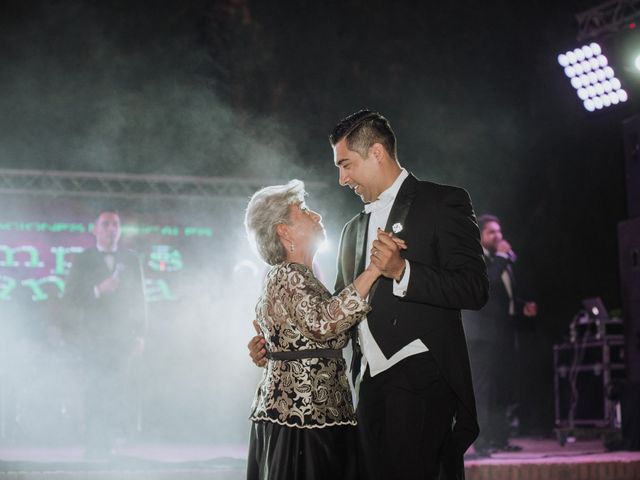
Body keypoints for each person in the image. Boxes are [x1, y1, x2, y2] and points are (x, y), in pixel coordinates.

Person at [249, 110, 489, 480]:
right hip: (367, 387)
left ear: (376, 152)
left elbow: (474, 288)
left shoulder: (442, 203)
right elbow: (333, 319)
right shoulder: (351, 230)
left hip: (422, 380)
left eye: (346, 165)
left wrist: (402, 271)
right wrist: (278, 345)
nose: (341, 179)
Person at [244, 179, 404, 480]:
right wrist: (374, 270)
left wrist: (267, 349)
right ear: (284, 230)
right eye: (303, 210)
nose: (317, 216)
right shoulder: (288, 274)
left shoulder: (296, 276)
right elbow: (323, 324)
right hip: (303, 419)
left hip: (310, 416)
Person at [64, 209, 147, 459]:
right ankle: (93, 444)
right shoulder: (82, 259)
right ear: (95, 229)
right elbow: (70, 297)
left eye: (115, 224)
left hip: (121, 336)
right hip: (91, 337)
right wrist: (98, 290)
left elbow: (139, 299)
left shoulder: (131, 258)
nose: (111, 229)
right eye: (106, 224)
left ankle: (112, 443)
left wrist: (140, 334)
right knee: (93, 388)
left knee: (117, 389)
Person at [463, 214, 537, 456]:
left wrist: (522, 305)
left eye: (499, 231)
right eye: (492, 232)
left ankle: (500, 438)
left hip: (502, 337)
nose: (498, 236)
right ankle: (481, 443)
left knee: (502, 389)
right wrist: (504, 258)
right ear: (481, 235)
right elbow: (485, 284)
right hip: (482, 337)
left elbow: (502, 298)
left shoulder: (500, 262)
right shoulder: (476, 258)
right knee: (483, 391)